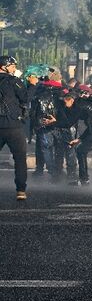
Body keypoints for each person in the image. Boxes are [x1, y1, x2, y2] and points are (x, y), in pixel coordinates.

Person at [0, 57, 30, 199]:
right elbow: (25, 97)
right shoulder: (14, 81)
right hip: (13, 126)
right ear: (4, 67)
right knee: (19, 159)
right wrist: (32, 85)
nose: (14, 68)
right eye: (12, 66)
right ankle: (21, 190)